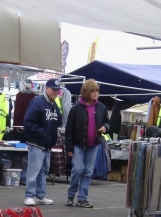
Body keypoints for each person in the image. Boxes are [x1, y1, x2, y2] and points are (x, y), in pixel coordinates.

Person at [64, 79, 109, 208]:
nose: (96, 93)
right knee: (77, 169)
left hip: (93, 144)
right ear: (86, 92)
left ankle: (82, 198)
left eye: (97, 91)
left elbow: (107, 122)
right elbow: (69, 131)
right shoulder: (76, 108)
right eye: (93, 91)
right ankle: (71, 195)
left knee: (88, 172)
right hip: (78, 144)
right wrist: (69, 148)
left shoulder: (101, 107)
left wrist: (105, 127)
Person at [23, 78, 62, 206]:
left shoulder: (55, 105)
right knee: (34, 170)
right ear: (46, 88)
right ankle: (29, 195)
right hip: (36, 143)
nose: (55, 92)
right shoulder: (37, 102)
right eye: (53, 89)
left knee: (44, 170)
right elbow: (28, 123)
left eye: (57, 90)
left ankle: (40, 195)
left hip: (47, 144)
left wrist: (52, 137)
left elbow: (57, 123)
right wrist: (44, 133)